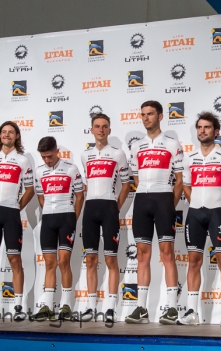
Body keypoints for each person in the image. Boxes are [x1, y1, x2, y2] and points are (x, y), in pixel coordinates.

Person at [177, 112, 221, 326]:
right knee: (193, 262)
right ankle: (191, 312)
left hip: (217, 213)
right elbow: (185, 184)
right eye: (200, 127)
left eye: (207, 127)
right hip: (194, 214)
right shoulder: (189, 157)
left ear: (216, 131)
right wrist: (193, 200)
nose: (202, 131)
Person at [125, 100, 184, 325]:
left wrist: (170, 203)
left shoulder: (171, 143)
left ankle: (171, 308)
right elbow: (137, 177)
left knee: (167, 253)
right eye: (143, 114)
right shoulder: (135, 146)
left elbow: (179, 179)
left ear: (160, 116)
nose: (146, 118)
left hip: (163, 198)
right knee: (141, 255)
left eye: (150, 114)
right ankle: (141, 309)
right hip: (142, 200)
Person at [0, 121, 34, 321]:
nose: (7, 135)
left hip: (11, 213)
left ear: (17, 136)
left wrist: (15, 207)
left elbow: (30, 189)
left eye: (11, 132)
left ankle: (19, 305)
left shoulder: (23, 160)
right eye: (4, 132)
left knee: (14, 260)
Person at [79, 113, 131, 323]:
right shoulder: (85, 155)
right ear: (91, 130)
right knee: (90, 259)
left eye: (105, 127)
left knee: (111, 259)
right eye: (97, 126)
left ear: (109, 130)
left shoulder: (118, 154)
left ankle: (110, 307)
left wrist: (115, 207)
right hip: (90, 208)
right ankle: (91, 307)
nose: (101, 130)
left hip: (109, 207)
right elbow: (85, 184)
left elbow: (126, 184)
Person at [32, 136, 84, 321]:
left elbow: (79, 196)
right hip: (48, 219)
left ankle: (66, 305)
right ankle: (47, 305)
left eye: (50, 156)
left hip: (66, 218)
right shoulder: (38, 172)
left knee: (64, 262)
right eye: (44, 157)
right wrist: (48, 210)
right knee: (49, 263)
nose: (47, 160)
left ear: (57, 151)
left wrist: (73, 218)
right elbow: (40, 196)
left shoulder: (71, 168)